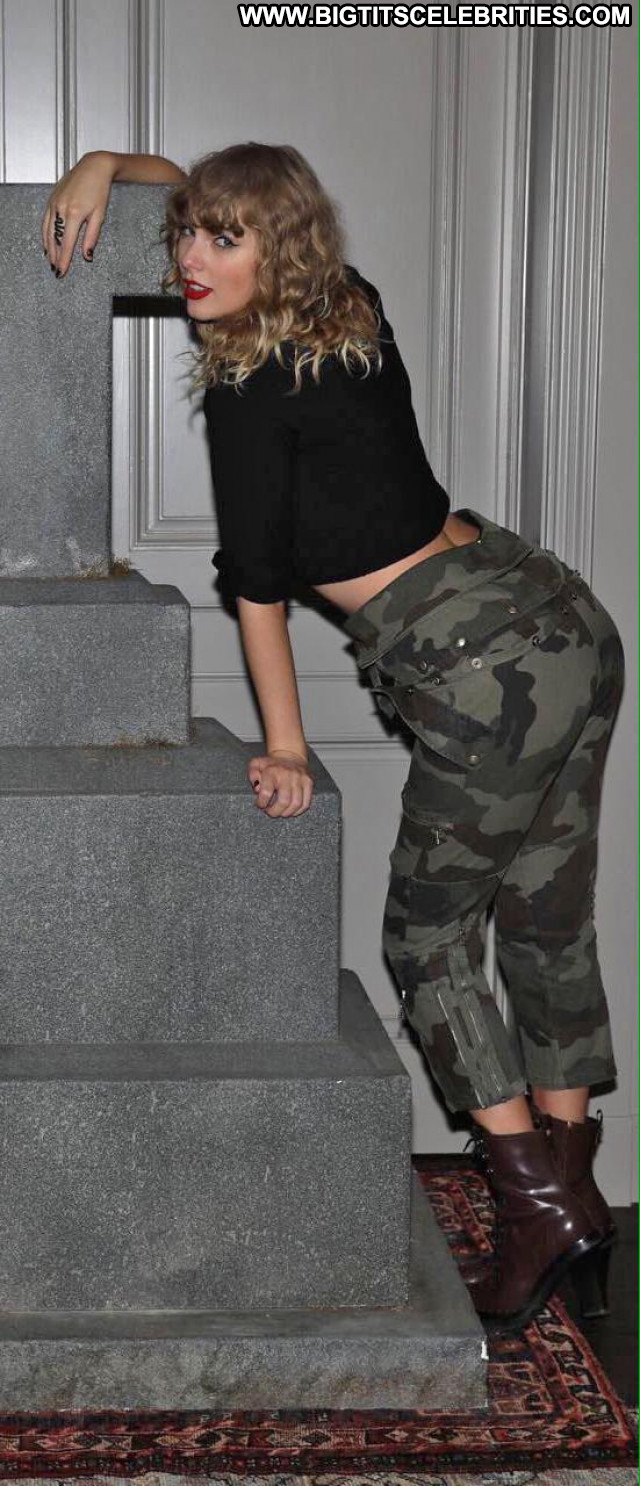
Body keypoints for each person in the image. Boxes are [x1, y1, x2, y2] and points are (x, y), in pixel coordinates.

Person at [42, 142, 625, 1335]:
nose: (192, 257)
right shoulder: (349, 305)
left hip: (478, 667)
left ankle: (534, 1210)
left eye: (223, 239)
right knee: (546, 919)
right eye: (187, 232)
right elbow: (213, 181)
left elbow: (257, 588)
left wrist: (289, 745)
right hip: (562, 620)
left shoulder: (254, 389)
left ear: (280, 248)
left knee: (426, 940)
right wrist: (108, 162)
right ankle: (573, 1195)